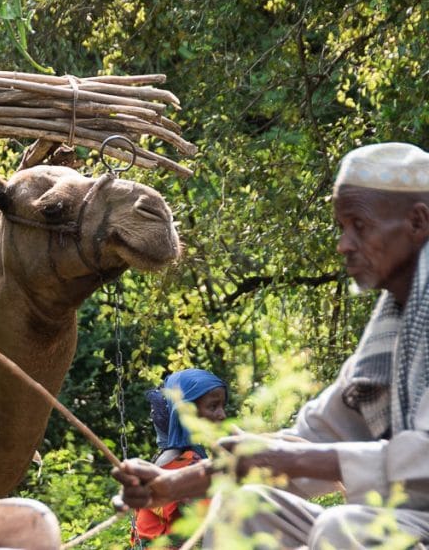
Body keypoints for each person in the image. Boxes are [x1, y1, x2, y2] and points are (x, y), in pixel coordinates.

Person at [112, 142, 429, 549]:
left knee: (343, 528)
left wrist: (288, 459)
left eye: (359, 226)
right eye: (341, 227)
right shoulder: (390, 333)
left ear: (418, 223)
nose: (343, 245)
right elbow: (313, 438)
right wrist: (172, 484)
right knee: (249, 506)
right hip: (406, 526)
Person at [131, 369, 227, 547]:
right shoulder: (184, 466)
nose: (222, 415)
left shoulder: (167, 457)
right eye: (213, 406)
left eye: (222, 406)